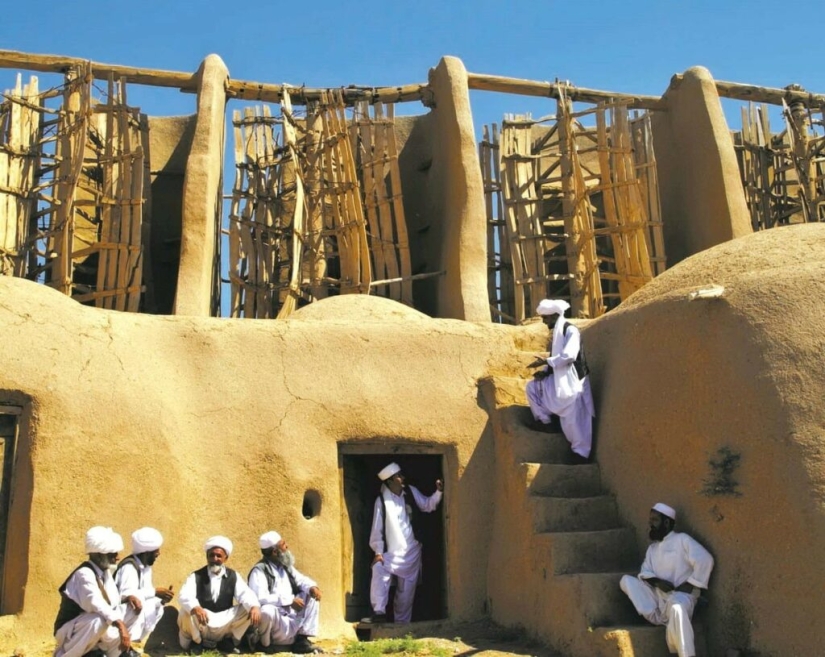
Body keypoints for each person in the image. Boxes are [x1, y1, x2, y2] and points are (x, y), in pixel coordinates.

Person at [620, 503, 714, 657]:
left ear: (667, 522)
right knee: (626, 580)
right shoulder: (653, 549)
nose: (651, 524)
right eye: (650, 520)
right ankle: (658, 618)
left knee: (677, 608)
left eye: (655, 520)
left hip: (681, 597)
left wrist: (691, 584)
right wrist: (657, 583)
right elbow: (645, 572)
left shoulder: (682, 539)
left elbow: (705, 560)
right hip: (659, 598)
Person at [367, 462, 443, 624]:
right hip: (390, 552)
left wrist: (439, 491)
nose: (402, 478)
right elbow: (377, 528)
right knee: (379, 569)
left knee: (406, 593)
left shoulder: (411, 492)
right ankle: (379, 612)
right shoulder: (381, 501)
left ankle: (402, 625)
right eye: (398, 476)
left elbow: (427, 505)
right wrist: (378, 552)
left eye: (401, 475)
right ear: (389, 481)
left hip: (411, 551)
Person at [526, 298, 595, 460]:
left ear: (555, 316)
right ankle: (546, 423)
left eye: (546, 318)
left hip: (573, 382)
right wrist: (545, 370)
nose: (544, 321)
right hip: (559, 381)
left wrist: (546, 361)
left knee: (575, 420)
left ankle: (581, 453)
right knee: (533, 388)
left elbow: (569, 356)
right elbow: (556, 359)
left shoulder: (570, 331)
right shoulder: (557, 333)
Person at [54, 526, 135, 657]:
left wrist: (128, 599)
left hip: (95, 631)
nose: (117, 557)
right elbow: (96, 603)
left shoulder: (105, 572)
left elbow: (113, 603)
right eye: (112, 554)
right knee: (98, 620)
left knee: (131, 609)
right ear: (98, 555)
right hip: (71, 631)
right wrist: (120, 625)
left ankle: (109, 651)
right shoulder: (84, 574)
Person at [178, 536, 261, 654]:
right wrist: (195, 608)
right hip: (202, 623)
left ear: (225, 558)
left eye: (219, 556)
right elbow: (184, 595)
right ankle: (197, 642)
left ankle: (228, 642)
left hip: (224, 623)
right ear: (207, 556)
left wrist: (254, 606)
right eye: (211, 555)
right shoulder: (196, 576)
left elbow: (245, 593)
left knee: (250, 608)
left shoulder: (233, 576)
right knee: (185, 610)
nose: (214, 559)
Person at [247, 531, 321, 654]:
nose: (287, 546)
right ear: (275, 552)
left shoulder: (284, 565)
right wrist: (288, 601)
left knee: (311, 595)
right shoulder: (259, 571)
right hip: (276, 626)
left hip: (293, 622)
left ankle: (301, 641)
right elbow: (260, 598)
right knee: (266, 610)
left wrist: (312, 587)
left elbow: (301, 580)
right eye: (283, 544)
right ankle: (264, 644)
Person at [114, 527, 174, 646]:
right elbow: (127, 596)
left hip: (132, 616)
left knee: (157, 606)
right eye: (156, 550)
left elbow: (148, 596)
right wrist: (155, 592)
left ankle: (135, 644)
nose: (158, 553)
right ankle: (128, 645)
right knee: (136, 604)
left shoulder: (146, 568)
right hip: (118, 617)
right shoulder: (130, 567)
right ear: (146, 552)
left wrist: (161, 601)